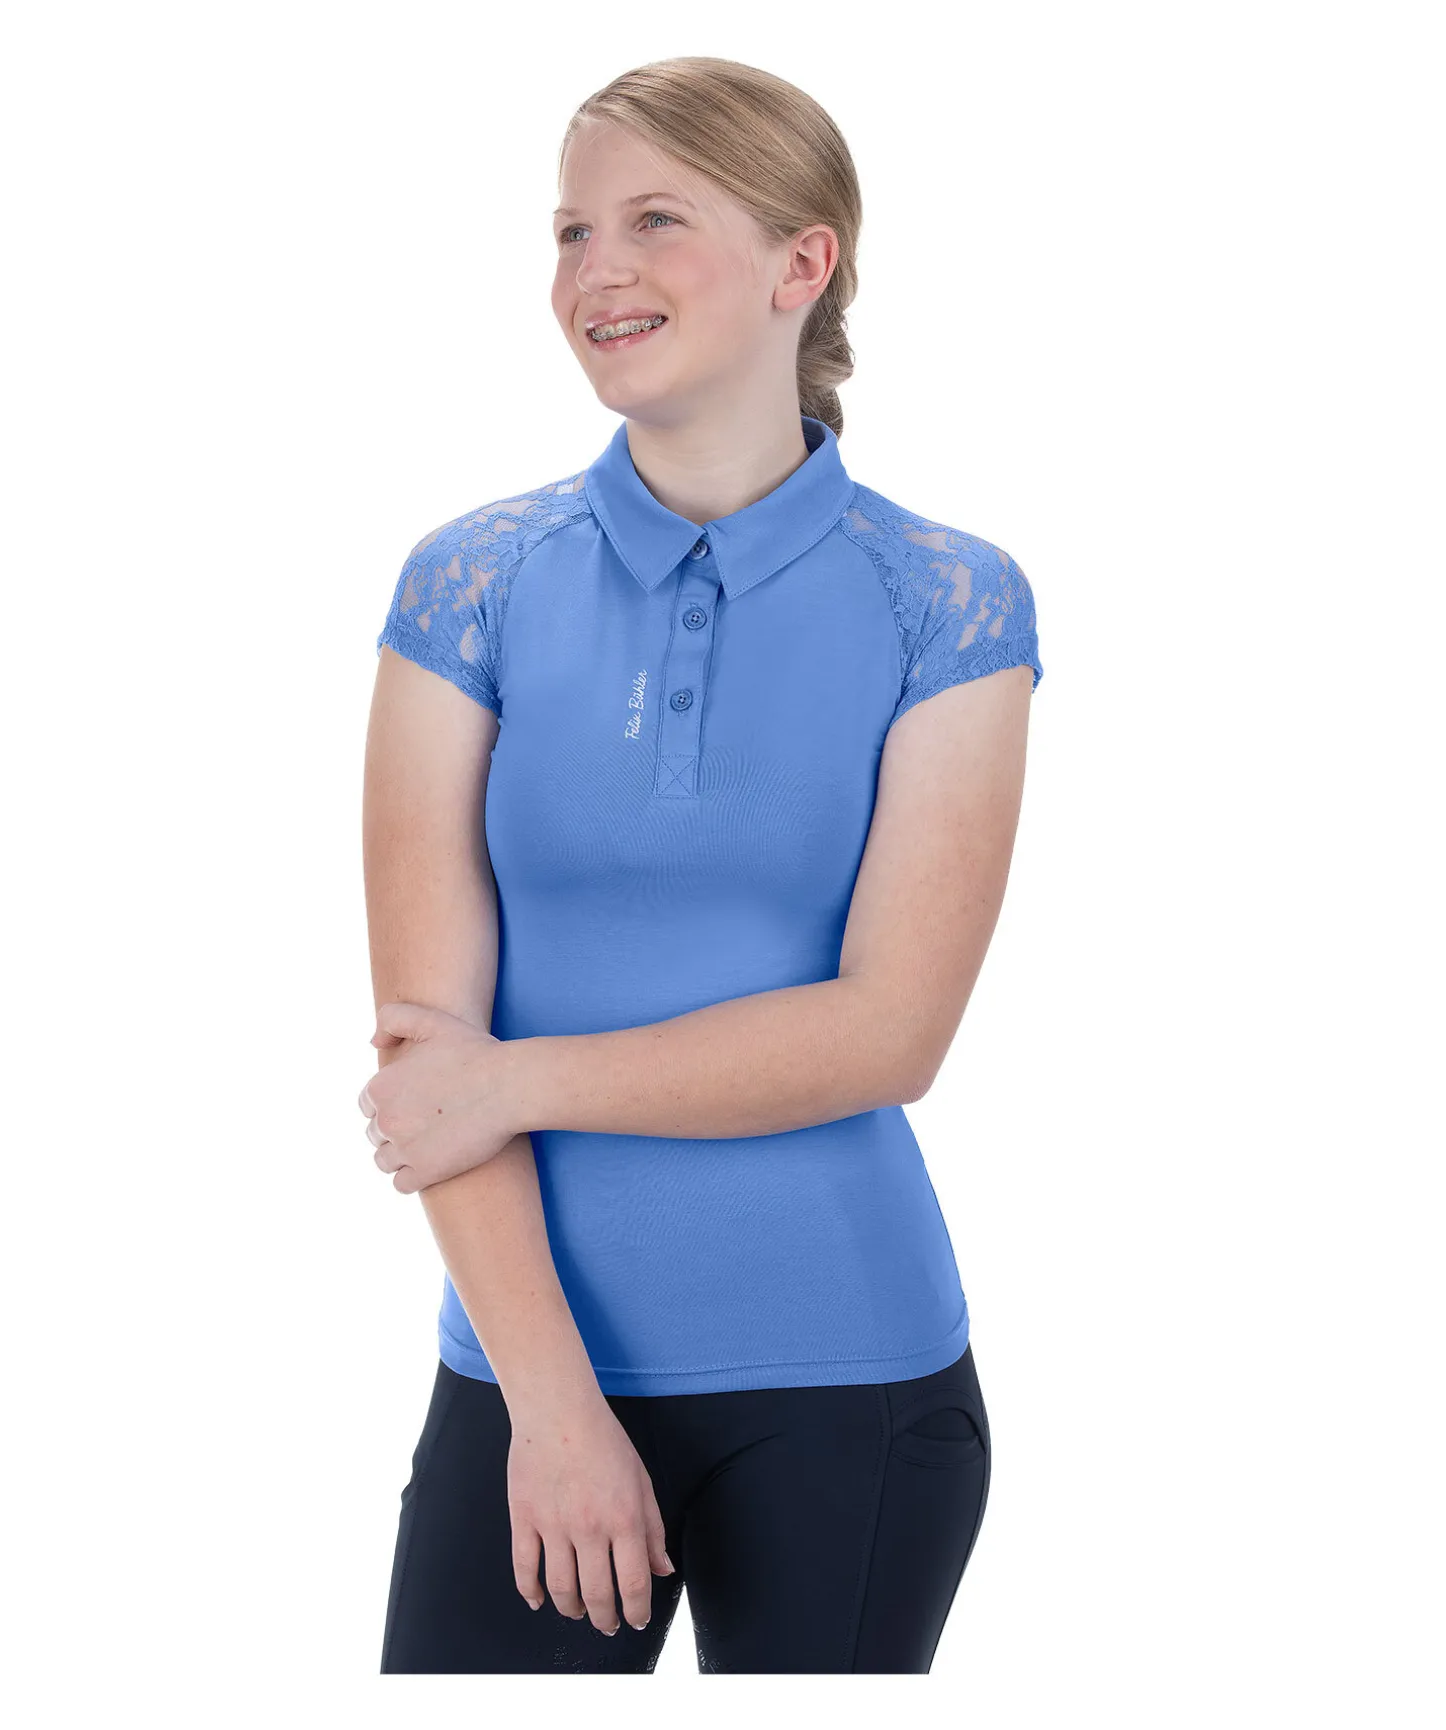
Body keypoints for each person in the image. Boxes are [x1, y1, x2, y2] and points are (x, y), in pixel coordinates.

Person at [360, 55, 1043, 1674]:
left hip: (855, 1376)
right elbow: (423, 1059)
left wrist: (517, 1080)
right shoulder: (470, 582)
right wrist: (551, 1409)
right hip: (527, 1367)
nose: (594, 268)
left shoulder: (949, 601)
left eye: (653, 219)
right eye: (570, 229)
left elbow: (887, 1034)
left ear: (801, 262)